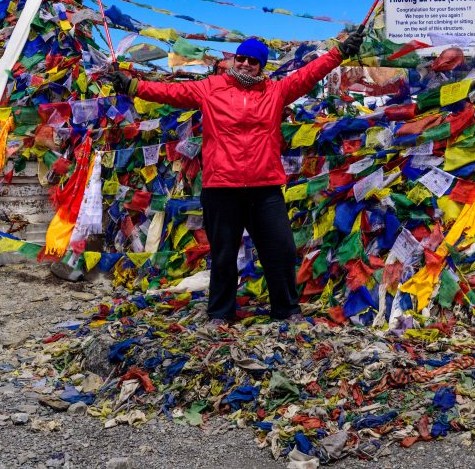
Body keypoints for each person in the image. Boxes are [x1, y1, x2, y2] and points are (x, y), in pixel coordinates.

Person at [110, 32, 364, 324]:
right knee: (223, 254)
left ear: (261, 66)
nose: (245, 64)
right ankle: (220, 313)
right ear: (234, 59)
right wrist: (132, 85)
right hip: (221, 187)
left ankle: (286, 310)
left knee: (280, 250)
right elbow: (170, 94)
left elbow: (309, 74)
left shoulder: (276, 91)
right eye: (240, 58)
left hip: (265, 187)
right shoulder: (210, 88)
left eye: (253, 61)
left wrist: (339, 52)